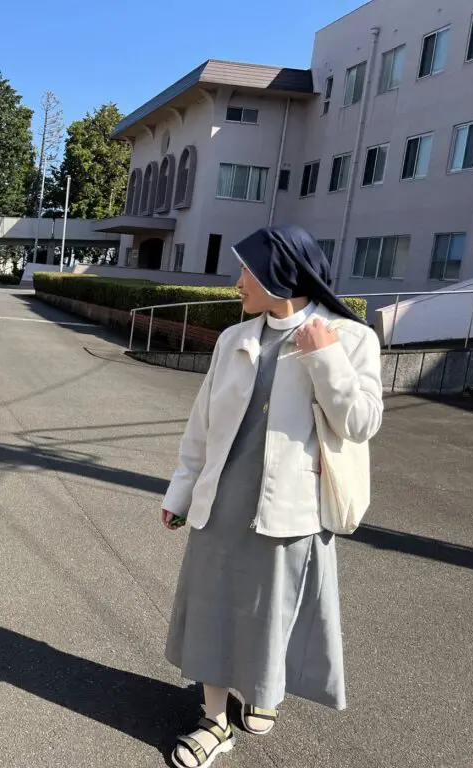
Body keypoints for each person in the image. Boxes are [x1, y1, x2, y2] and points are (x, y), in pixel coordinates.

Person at [160, 226, 383, 768]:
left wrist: (324, 358)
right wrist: (182, 489)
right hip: (222, 501)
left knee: (272, 614)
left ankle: (263, 692)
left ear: (279, 276)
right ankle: (214, 722)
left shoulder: (350, 338)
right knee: (212, 609)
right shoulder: (234, 339)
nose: (237, 283)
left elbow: (361, 423)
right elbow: (202, 424)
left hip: (294, 507)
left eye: (247, 272)